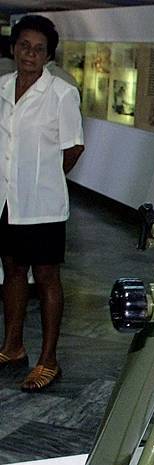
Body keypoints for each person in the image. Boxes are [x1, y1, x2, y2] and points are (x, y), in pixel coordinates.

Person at [0, 15, 84, 391]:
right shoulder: (1, 88)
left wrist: (46, 178)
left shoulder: (62, 94)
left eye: (38, 49)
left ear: (48, 55)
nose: (29, 54)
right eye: (24, 46)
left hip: (43, 205)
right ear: (14, 48)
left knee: (47, 277)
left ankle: (48, 360)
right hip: (5, 201)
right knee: (13, 271)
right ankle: (13, 346)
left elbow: (73, 147)